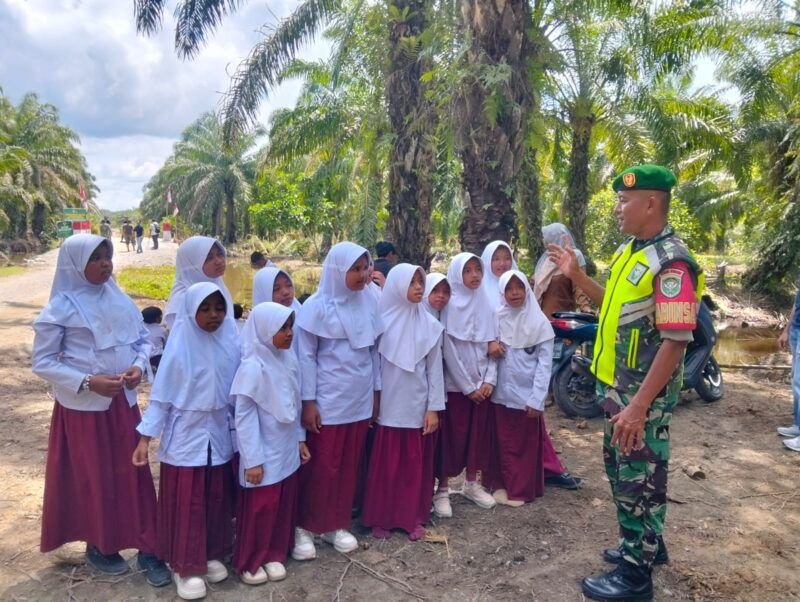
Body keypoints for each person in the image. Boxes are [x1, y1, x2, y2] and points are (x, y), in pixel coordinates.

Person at [548, 165, 703, 601]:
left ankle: (636, 578)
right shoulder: (632, 251)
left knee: (639, 478)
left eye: (623, 200)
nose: (617, 208)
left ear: (650, 203)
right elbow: (612, 305)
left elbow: (676, 340)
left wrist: (638, 406)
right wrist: (577, 277)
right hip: (618, 389)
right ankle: (646, 545)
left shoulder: (671, 263)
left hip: (640, 397)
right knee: (623, 473)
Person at [31, 234, 170, 587]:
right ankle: (100, 545)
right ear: (76, 264)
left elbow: (142, 341)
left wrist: (138, 366)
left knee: (134, 474)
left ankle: (148, 545)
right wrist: (87, 381)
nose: (105, 264)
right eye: (95, 258)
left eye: (107, 256)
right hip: (83, 410)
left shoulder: (119, 299)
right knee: (95, 477)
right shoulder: (61, 307)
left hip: (122, 404)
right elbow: (43, 361)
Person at [133, 282, 240, 600]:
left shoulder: (231, 345)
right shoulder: (179, 350)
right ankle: (184, 564)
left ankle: (209, 553)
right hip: (186, 437)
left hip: (218, 436)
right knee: (188, 501)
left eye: (219, 308)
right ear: (191, 312)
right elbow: (161, 399)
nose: (213, 315)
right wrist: (144, 439)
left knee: (215, 498)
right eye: (204, 309)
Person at [293, 242, 383, 559]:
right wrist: (308, 401)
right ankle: (304, 526)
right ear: (336, 270)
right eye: (354, 269)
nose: (362, 274)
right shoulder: (316, 308)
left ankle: (335, 523)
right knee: (322, 465)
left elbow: (374, 355)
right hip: (328, 400)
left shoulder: (369, 303)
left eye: (364, 267)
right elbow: (305, 357)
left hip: (358, 400)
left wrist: (375, 394)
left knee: (347, 464)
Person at [479, 240, 582, 491]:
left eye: (506, 257)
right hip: (491, 379)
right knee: (497, 432)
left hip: (524, 383)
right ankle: (498, 478)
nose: (502, 263)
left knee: (528, 428)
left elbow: (538, 347)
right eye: (496, 258)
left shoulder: (523, 294)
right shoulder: (479, 292)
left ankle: (543, 470)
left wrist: (537, 396)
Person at [362, 264, 444, 541]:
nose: (419, 287)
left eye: (421, 281)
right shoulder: (380, 324)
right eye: (412, 282)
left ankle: (411, 517)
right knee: (387, 466)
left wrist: (433, 408)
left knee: (412, 466)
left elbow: (434, 370)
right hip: (388, 405)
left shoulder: (430, 326)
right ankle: (382, 517)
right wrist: (373, 402)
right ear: (397, 286)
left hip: (416, 405)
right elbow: (373, 368)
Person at [231, 302, 310, 585]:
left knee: (281, 501)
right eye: (282, 328)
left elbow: (294, 405)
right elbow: (244, 417)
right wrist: (252, 459)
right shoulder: (253, 367)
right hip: (263, 451)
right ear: (264, 330)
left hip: (286, 446)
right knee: (261, 505)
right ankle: (251, 560)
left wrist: (300, 439)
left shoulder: (288, 360)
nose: (289, 333)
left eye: (290, 327)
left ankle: (274, 552)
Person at [434, 252, 498, 516]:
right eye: (468, 270)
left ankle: (471, 483)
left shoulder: (487, 303)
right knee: (451, 438)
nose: (475, 275)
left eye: (477, 270)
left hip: (482, 387)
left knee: (476, 436)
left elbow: (494, 345)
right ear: (457, 274)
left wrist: (489, 380)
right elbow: (448, 351)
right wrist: (467, 386)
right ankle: (442, 489)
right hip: (456, 387)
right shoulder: (449, 306)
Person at [485, 270, 554, 507]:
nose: (514, 293)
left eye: (519, 288)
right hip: (500, 394)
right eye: (509, 288)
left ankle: (521, 490)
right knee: (501, 442)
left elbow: (545, 365)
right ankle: (499, 484)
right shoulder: (496, 318)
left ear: (527, 290)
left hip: (526, 396)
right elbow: (488, 353)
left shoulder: (539, 323)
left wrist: (537, 399)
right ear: (502, 292)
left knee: (523, 445)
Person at [164, 236, 234, 330]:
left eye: (220, 254)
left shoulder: (219, 285)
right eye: (209, 258)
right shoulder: (181, 301)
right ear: (192, 264)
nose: (219, 261)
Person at [533, 223, 592, 318]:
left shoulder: (574, 255)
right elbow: (535, 286)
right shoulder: (548, 259)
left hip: (562, 319)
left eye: (546, 237)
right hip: (543, 318)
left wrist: (585, 307)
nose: (544, 240)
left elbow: (580, 285)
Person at [777, 277, 800, 452]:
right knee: (796, 381)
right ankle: (798, 425)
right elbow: (796, 303)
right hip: (796, 330)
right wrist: (786, 329)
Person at [141, 306, 167, 373]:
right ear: (157, 319)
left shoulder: (140, 328)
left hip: (142, 355)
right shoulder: (162, 330)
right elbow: (166, 344)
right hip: (156, 357)